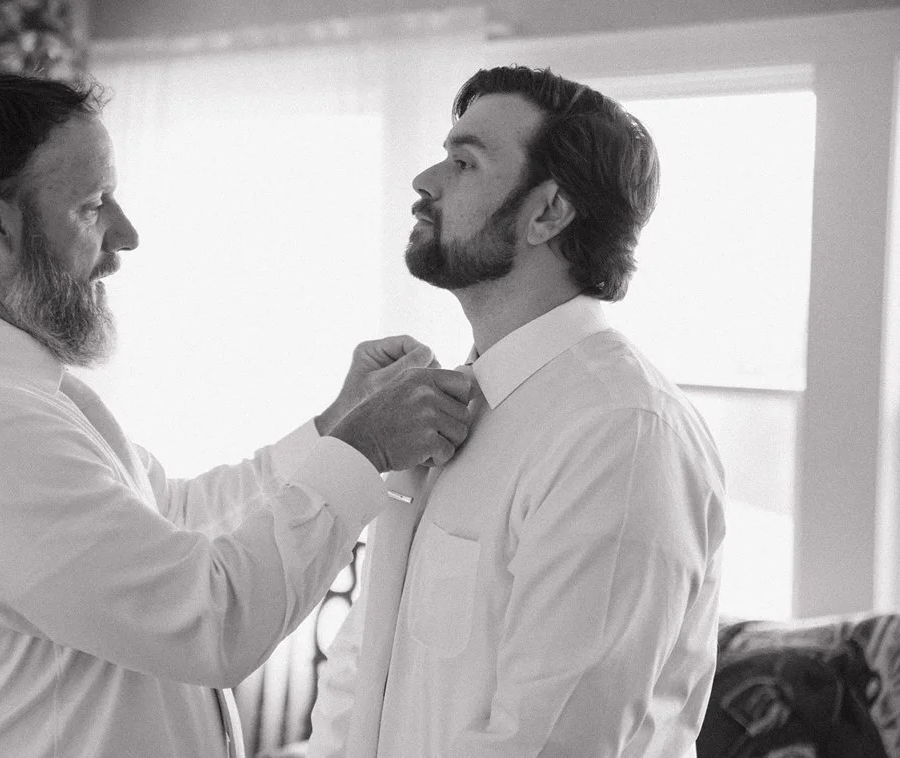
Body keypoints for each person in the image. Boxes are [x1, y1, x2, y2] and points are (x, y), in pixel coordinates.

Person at [0, 73, 477, 757]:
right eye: (93, 207)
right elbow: (210, 621)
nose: (125, 236)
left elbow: (175, 518)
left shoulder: (24, 392)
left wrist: (337, 425)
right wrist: (363, 452)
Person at [307, 65, 727, 757]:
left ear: (545, 213)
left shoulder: (619, 431)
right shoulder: (431, 408)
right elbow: (362, 674)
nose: (425, 181)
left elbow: (550, 740)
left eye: (463, 162)